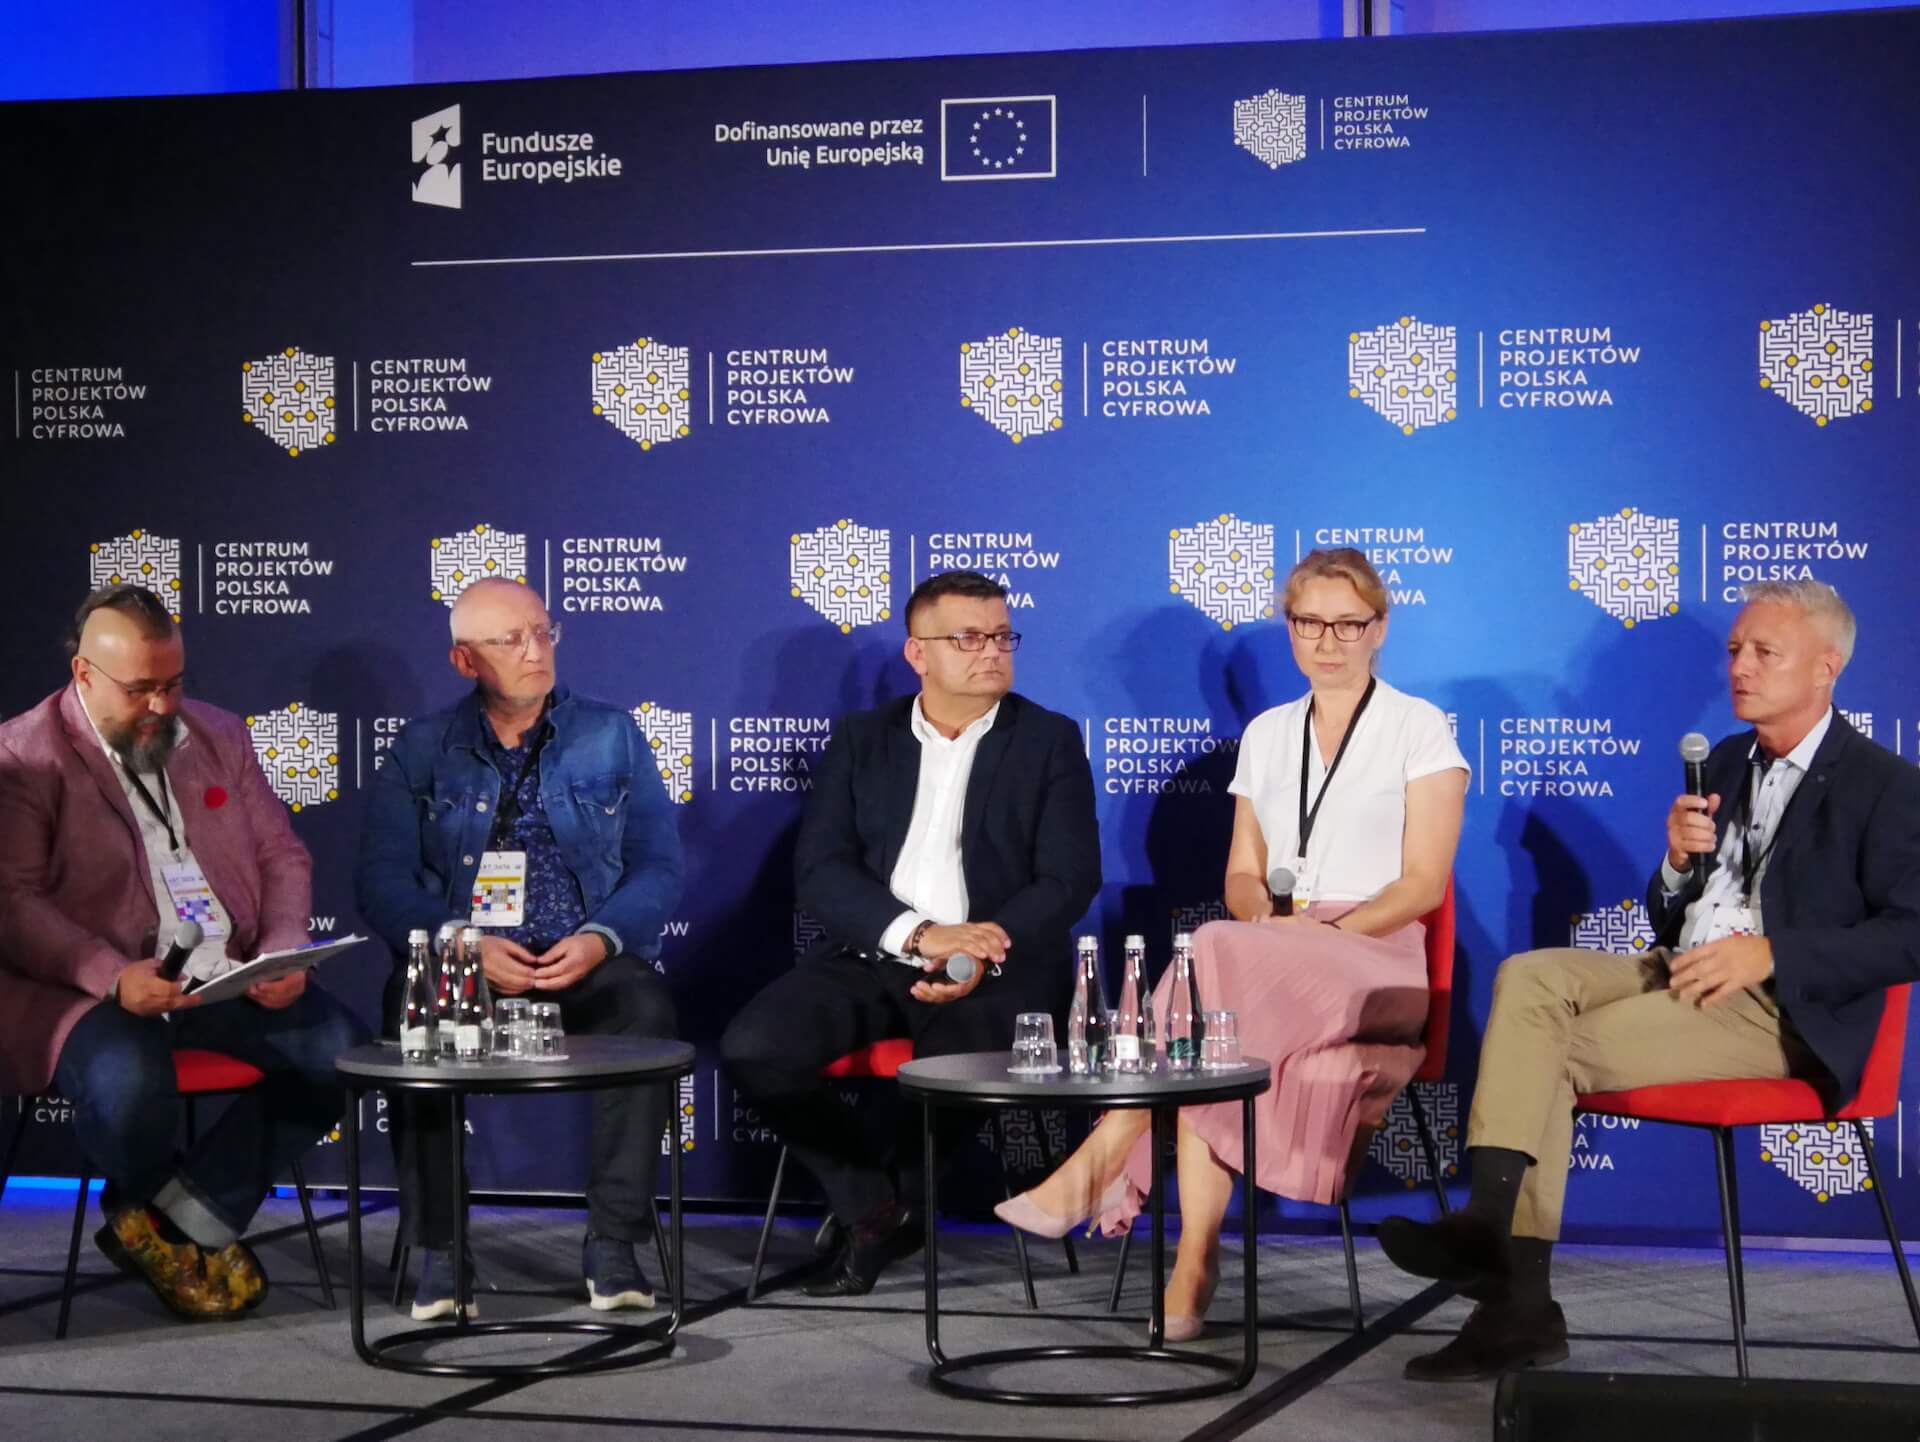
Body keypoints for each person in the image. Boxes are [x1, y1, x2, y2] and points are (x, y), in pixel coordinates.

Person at [1380, 579, 1920, 1381]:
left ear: (1825, 667)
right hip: (1684, 969)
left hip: (1781, 1012)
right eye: (1734, 650)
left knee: (1553, 1050)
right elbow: (1673, 918)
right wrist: (1673, 864)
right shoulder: (1725, 760)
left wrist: (1773, 954)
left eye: (1764, 652)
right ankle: (1491, 1234)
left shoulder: (1887, 785)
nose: (1740, 666)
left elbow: (1910, 934)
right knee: (1530, 977)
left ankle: (1512, 1298)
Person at [997, 548, 1468, 1341]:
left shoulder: (1417, 726)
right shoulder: (1267, 733)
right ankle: (1193, 1264)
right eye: (1309, 622)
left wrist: (1323, 934)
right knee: (1216, 1009)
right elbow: (1243, 876)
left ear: (1380, 627)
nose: (1328, 641)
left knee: (1211, 952)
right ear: (1289, 627)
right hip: (1274, 947)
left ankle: (1109, 1152)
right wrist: (1276, 925)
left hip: (1375, 947)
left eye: (1348, 623)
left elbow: (1422, 885)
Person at [721, 570, 1101, 1296]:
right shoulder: (862, 739)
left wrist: (979, 946)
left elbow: (1068, 879)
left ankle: (890, 1218)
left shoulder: (1047, 739)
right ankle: (873, 1207)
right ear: (918, 653)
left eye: (1002, 637)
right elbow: (822, 871)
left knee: (943, 1072)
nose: (991, 652)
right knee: (755, 1046)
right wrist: (921, 935)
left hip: (999, 967)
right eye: (969, 638)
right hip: (878, 951)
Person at [0, 584, 367, 1321]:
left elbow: (281, 855)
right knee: (131, 1086)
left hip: (219, 976)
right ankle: (151, 1208)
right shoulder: (23, 753)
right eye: (140, 689)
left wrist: (284, 947)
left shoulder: (220, 735)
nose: (162, 706)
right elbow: (13, 902)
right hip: (88, 991)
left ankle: (175, 1220)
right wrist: (111, 977)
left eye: (172, 684)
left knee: (345, 1055)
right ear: (83, 674)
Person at [356, 577, 684, 1320]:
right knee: (409, 1004)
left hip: (582, 959)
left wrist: (599, 940)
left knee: (645, 1006)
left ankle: (615, 1243)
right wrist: (462, 945)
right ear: (464, 660)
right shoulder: (420, 748)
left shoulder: (612, 734)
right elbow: (380, 880)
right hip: (469, 963)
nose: (535, 651)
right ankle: (441, 1251)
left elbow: (659, 867)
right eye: (511, 640)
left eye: (543, 632)